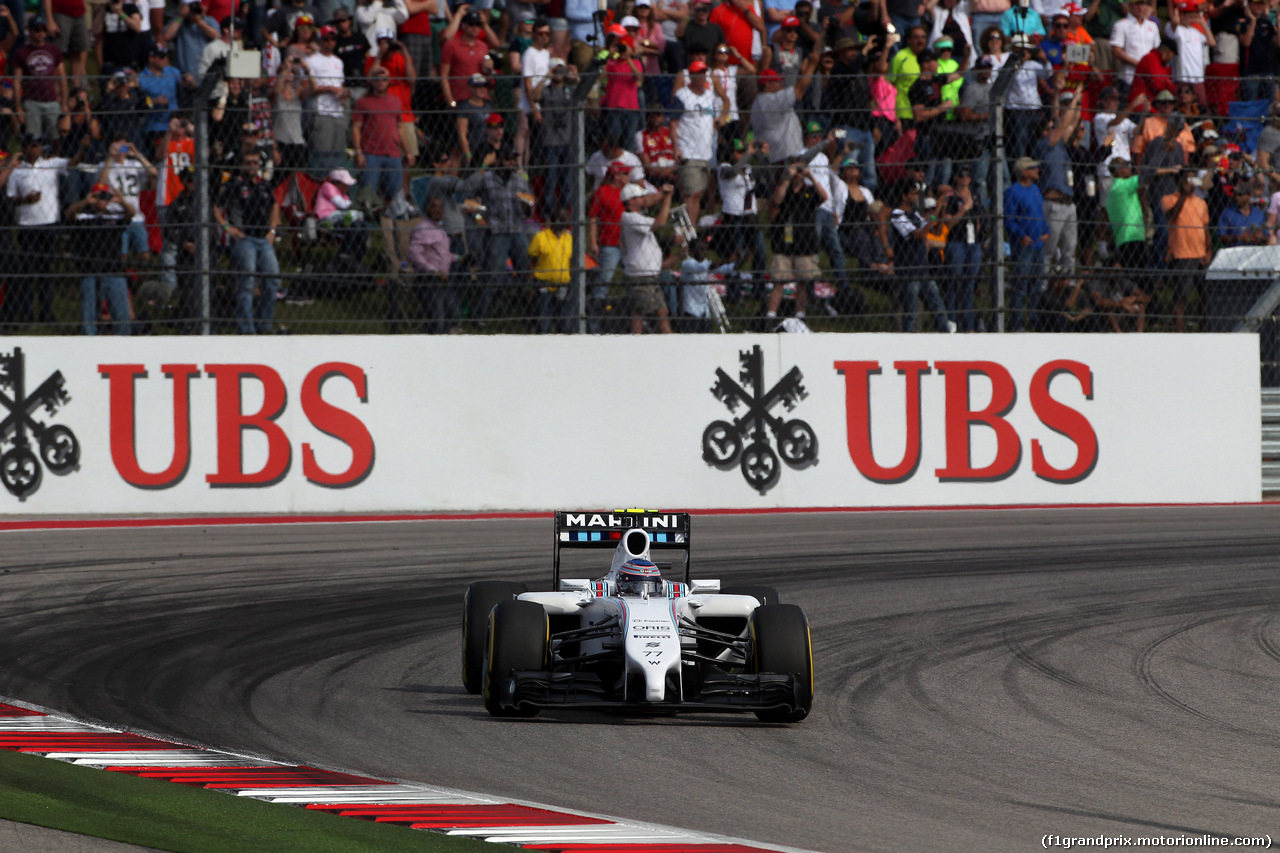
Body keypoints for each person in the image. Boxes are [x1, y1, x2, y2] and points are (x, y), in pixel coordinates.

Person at [461, 147, 534, 325]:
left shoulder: (519, 180)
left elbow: (529, 209)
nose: (511, 162)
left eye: (513, 159)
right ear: (499, 160)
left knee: (527, 271)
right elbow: (467, 198)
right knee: (492, 274)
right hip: (496, 233)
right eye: (507, 158)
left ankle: (531, 313)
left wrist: (528, 208)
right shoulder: (487, 179)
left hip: (517, 230)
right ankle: (480, 316)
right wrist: (479, 217)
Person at [7, 133, 72, 325]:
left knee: (46, 272)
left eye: (40, 145)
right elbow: (10, 197)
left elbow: (73, 162)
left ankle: (46, 313)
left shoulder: (50, 164)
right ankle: (26, 314)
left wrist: (84, 147)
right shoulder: (17, 171)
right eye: (34, 145)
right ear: (26, 147)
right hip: (28, 226)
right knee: (28, 272)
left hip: (50, 223)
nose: (38, 149)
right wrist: (25, 200)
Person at [215, 151, 281, 334]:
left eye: (255, 162)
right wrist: (226, 227)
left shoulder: (264, 185)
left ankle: (264, 324)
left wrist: (273, 229)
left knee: (273, 278)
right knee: (247, 283)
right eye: (248, 161)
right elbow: (215, 205)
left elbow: (275, 205)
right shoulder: (234, 184)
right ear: (242, 164)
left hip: (263, 238)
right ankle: (246, 328)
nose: (252, 165)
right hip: (244, 239)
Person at [889, 179, 955, 333]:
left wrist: (937, 212)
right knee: (910, 313)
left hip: (922, 270)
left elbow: (932, 228)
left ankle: (945, 336)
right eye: (913, 194)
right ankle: (908, 342)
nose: (916, 197)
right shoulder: (897, 215)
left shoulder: (915, 215)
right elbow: (919, 235)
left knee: (938, 308)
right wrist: (935, 213)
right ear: (903, 196)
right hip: (908, 271)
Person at [67, 181, 132, 335]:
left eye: (104, 197)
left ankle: (122, 342)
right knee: (89, 314)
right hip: (89, 271)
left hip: (114, 270)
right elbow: (69, 214)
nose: (101, 200)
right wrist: (86, 201)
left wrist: (122, 202)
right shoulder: (83, 216)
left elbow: (131, 214)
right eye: (98, 197)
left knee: (122, 315)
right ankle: (89, 340)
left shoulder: (115, 216)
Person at [766, 159, 825, 323]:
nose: (798, 173)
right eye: (795, 169)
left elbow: (824, 197)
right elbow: (777, 201)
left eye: (800, 170)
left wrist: (810, 176)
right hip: (783, 241)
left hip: (805, 242)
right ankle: (770, 315)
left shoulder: (810, 190)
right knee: (779, 281)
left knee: (803, 282)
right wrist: (787, 178)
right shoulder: (783, 188)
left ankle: (800, 315)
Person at [673, 59, 728, 224]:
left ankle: (688, 232)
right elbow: (673, 122)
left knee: (697, 194)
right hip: (688, 151)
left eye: (704, 73)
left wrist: (719, 120)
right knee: (692, 194)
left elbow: (715, 113)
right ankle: (686, 233)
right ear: (691, 76)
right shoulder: (682, 96)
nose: (703, 77)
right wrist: (676, 148)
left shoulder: (709, 96)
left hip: (705, 151)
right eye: (698, 74)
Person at [1035, 89, 1082, 282]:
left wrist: (1077, 105)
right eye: (1050, 127)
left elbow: (1072, 123)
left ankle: (1068, 285)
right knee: (1049, 250)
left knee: (1069, 250)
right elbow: (1063, 124)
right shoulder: (1043, 145)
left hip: (1068, 204)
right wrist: (1076, 97)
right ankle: (1043, 287)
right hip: (1053, 205)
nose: (1054, 128)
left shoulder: (1060, 145)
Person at [620, 179, 674, 334]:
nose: (644, 200)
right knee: (640, 312)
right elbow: (660, 223)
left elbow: (651, 200)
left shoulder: (636, 216)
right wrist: (668, 198)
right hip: (640, 274)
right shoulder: (631, 218)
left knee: (662, 311)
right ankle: (637, 341)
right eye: (640, 198)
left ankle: (668, 338)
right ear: (631, 201)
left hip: (649, 273)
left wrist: (662, 193)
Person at [1161, 168, 1211, 331]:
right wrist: (1183, 194)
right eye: (1187, 180)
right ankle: (1179, 329)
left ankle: (1204, 327)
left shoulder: (1201, 203)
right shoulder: (1169, 199)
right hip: (1182, 253)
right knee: (1181, 294)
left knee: (1204, 294)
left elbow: (1206, 228)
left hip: (1200, 253)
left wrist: (1208, 250)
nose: (1190, 184)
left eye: (1193, 180)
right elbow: (1171, 216)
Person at [1004, 156, 1049, 331]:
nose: (1037, 170)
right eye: (1033, 167)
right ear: (1024, 172)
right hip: (1024, 246)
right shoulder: (1013, 192)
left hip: (1038, 245)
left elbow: (1040, 215)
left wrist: (1046, 231)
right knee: (1020, 286)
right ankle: (1017, 322)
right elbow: (1009, 220)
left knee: (1036, 285)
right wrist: (1021, 235)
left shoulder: (1036, 190)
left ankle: (1035, 320)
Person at [97, 136, 157, 266]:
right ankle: (124, 282)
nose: (120, 151)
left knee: (143, 256)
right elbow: (100, 184)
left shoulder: (135, 165)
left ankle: (140, 284)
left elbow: (153, 173)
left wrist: (137, 154)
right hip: (114, 216)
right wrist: (110, 158)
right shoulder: (104, 165)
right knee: (120, 256)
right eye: (117, 147)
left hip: (135, 216)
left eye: (123, 147)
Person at [352, 67, 406, 210]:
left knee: (393, 194)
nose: (381, 82)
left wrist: (407, 150)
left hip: (393, 154)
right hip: (371, 154)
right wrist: (358, 152)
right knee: (368, 193)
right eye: (377, 79)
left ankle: (389, 224)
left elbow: (400, 127)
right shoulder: (363, 102)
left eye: (385, 79)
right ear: (372, 82)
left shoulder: (395, 101)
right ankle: (369, 225)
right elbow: (356, 127)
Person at [407, 195, 459, 334]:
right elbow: (414, 253)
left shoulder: (440, 229)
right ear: (427, 208)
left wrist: (459, 258)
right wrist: (434, 270)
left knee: (455, 313)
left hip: (443, 279)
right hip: (428, 279)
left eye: (440, 206)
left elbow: (444, 255)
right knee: (439, 318)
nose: (438, 209)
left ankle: (448, 342)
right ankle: (435, 341)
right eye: (434, 206)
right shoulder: (423, 229)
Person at [13, 17, 66, 142]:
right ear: (30, 31)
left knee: (57, 136)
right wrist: (18, 107)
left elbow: (62, 77)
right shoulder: (21, 52)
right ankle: (35, 160)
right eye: (37, 30)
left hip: (52, 99)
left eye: (44, 30)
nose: (41, 33)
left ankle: (56, 159)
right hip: (31, 100)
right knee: (33, 138)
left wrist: (64, 102)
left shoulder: (55, 50)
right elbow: (16, 81)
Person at [943, 164, 983, 331]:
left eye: (968, 175)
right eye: (961, 175)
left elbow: (979, 218)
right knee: (954, 281)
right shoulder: (950, 197)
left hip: (972, 242)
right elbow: (948, 222)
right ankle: (951, 321)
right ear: (956, 177)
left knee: (969, 283)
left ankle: (968, 324)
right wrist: (963, 211)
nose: (965, 178)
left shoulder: (975, 196)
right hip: (957, 242)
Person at [303, 24, 347, 175]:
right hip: (321, 110)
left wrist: (342, 94)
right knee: (322, 153)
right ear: (321, 40)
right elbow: (307, 88)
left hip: (338, 111)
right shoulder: (311, 60)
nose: (330, 42)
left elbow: (340, 85)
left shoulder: (338, 62)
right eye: (327, 39)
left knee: (337, 154)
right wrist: (328, 88)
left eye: (333, 39)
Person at [529, 205, 574, 333]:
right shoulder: (540, 237)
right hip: (544, 285)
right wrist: (530, 284)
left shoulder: (569, 238)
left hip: (564, 284)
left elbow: (572, 262)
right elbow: (532, 261)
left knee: (565, 324)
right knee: (544, 324)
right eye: (562, 219)